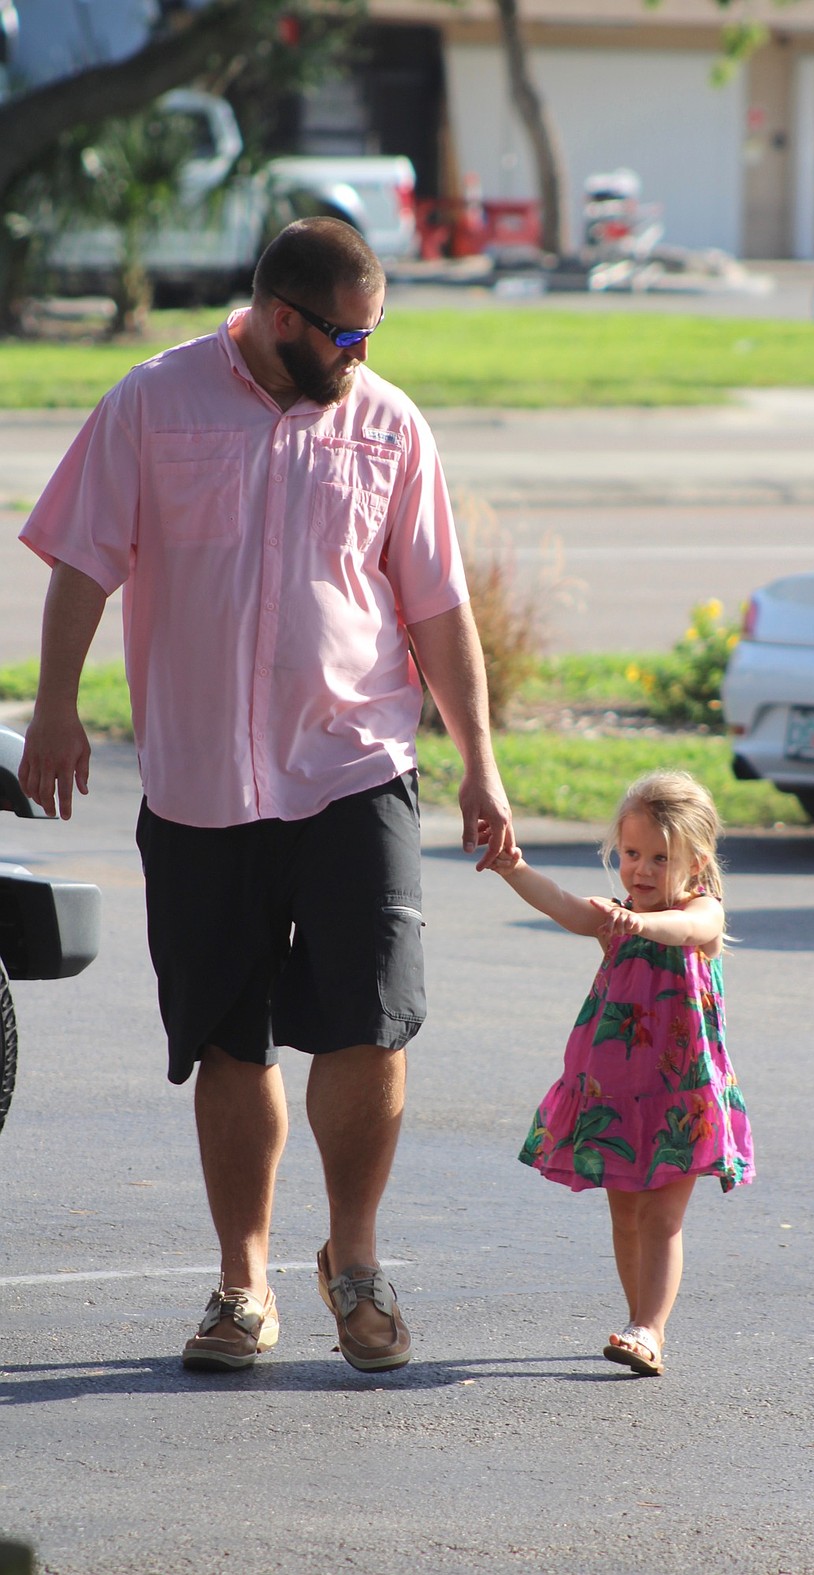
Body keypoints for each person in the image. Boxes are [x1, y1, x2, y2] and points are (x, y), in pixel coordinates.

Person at [17, 217, 514, 1375]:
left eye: (375, 331)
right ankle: (242, 1284)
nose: (362, 354)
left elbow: (435, 606)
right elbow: (83, 559)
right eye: (344, 334)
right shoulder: (153, 401)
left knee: (368, 1022)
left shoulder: (387, 423)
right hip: (198, 781)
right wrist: (54, 706)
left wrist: (480, 762)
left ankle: (354, 1262)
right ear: (279, 318)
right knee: (227, 1037)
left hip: (355, 767)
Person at [492, 769, 754, 1376]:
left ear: (697, 862)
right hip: (613, 1091)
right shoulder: (616, 915)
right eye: (632, 854)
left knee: (661, 1218)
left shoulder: (700, 912)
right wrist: (513, 869)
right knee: (625, 1213)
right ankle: (638, 1320)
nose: (640, 870)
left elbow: (690, 930)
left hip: (680, 1096)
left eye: (660, 858)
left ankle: (650, 1329)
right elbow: (563, 906)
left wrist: (639, 923)